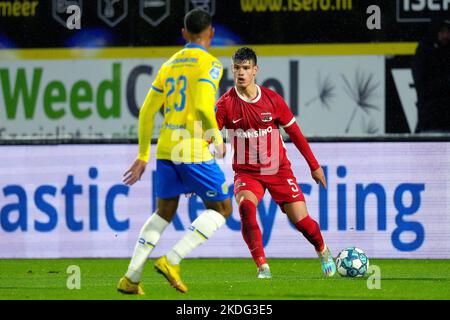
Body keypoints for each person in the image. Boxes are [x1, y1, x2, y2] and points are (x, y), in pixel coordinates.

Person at [117, 8, 232, 295]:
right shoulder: (211, 65)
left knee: (164, 211)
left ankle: (131, 277)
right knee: (222, 208)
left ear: (184, 33)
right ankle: (172, 259)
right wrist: (217, 139)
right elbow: (205, 107)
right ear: (211, 34)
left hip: (166, 148)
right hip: (192, 148)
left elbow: (146, 112)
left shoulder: (169, 65)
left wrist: (143, 155)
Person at [215, 47, 336, 279]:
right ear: (232, 70)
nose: (241, 73)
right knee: (246, 208)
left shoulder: (272, 100)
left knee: (302, 222)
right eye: (237, 68)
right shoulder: (225, 104)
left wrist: (314, 165)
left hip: (278, 170)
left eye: (246, 68)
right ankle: (262, 266)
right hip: (247, 173)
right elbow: (210, 133)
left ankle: (322, 249)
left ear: (255, 70)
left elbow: (296, 134)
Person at [412, 18, 450, 133]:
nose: (446, 35)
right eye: (442, 32)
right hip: (430, 117)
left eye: (448, 32)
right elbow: (421, 82)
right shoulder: (425, 50)